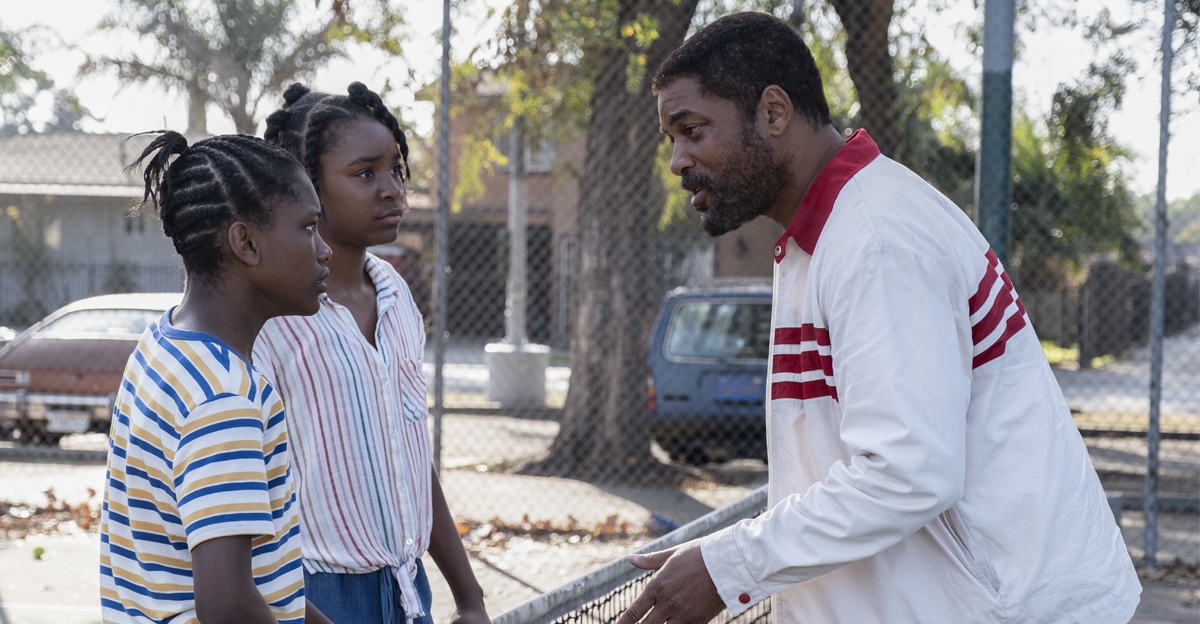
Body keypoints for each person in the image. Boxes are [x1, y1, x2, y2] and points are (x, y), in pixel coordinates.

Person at [617, 12, 1140, 624]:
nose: (678, 160)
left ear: (774, 113)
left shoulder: (876, 238)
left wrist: (728, 566)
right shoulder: (831, 234)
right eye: (672, 139)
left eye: (693, 130)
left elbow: (906, 472)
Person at [253, 82, 489, 624]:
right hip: (313, 593)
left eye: (395, 171)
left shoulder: (396, 293)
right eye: (365, 174)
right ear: (308, 187)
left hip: (407, 589)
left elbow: (408, 457)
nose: (391, 190)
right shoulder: (275, 316)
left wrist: (469, 595)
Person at [100, 131, 334, 624]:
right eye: (309, 227)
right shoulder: (224, 397)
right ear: (245, 243)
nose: (324, 249)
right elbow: (227, 605)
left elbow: (268, 588)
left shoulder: (162, 345)